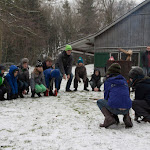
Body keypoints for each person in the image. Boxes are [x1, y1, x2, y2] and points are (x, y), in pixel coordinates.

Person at [97, 63, 133, 128]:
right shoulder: (124, 80)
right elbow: (127, 94)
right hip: (127, 108)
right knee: (124, 99)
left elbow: (106, 96)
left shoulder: (108, 81)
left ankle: (109, 118)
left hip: (115, 107)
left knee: (100, 102)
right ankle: (127, 117)